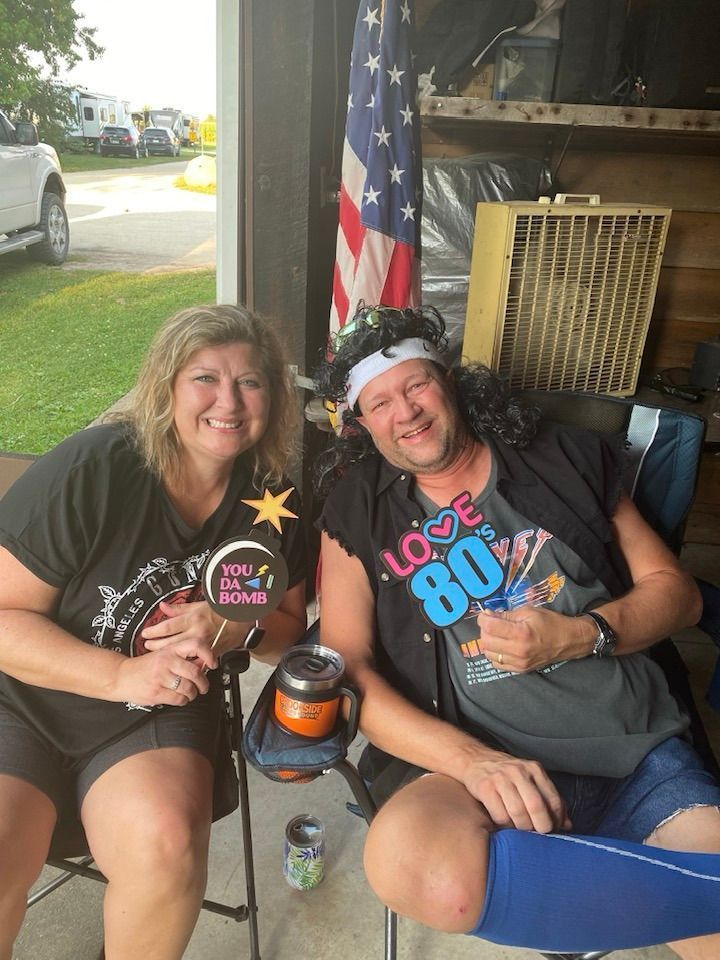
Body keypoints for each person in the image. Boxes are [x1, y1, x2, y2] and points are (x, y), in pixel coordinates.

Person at [313, 303, 720, 956]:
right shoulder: (358, 507)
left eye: (416, 384)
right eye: (380, 402)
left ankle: (567, 896)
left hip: (634, 754)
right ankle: (607, 892)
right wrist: (473, 762)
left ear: (448, 380)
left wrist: (581, 633)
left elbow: (677, 597)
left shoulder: (563, 456)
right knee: (405, 863)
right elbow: (347, 667)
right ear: (362, 424)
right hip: (472, 768)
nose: (407, 412)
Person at [0, 304, 307, 960]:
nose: (228, 401)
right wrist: (118, 673)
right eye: (205, 378)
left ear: (272, 400)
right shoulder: (97, 468)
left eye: (250, 382)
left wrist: (232, 627)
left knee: (166, 847)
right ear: (166, 386)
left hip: (152, 714)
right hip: (24, 699)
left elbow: (286, 628)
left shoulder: (270, 501)